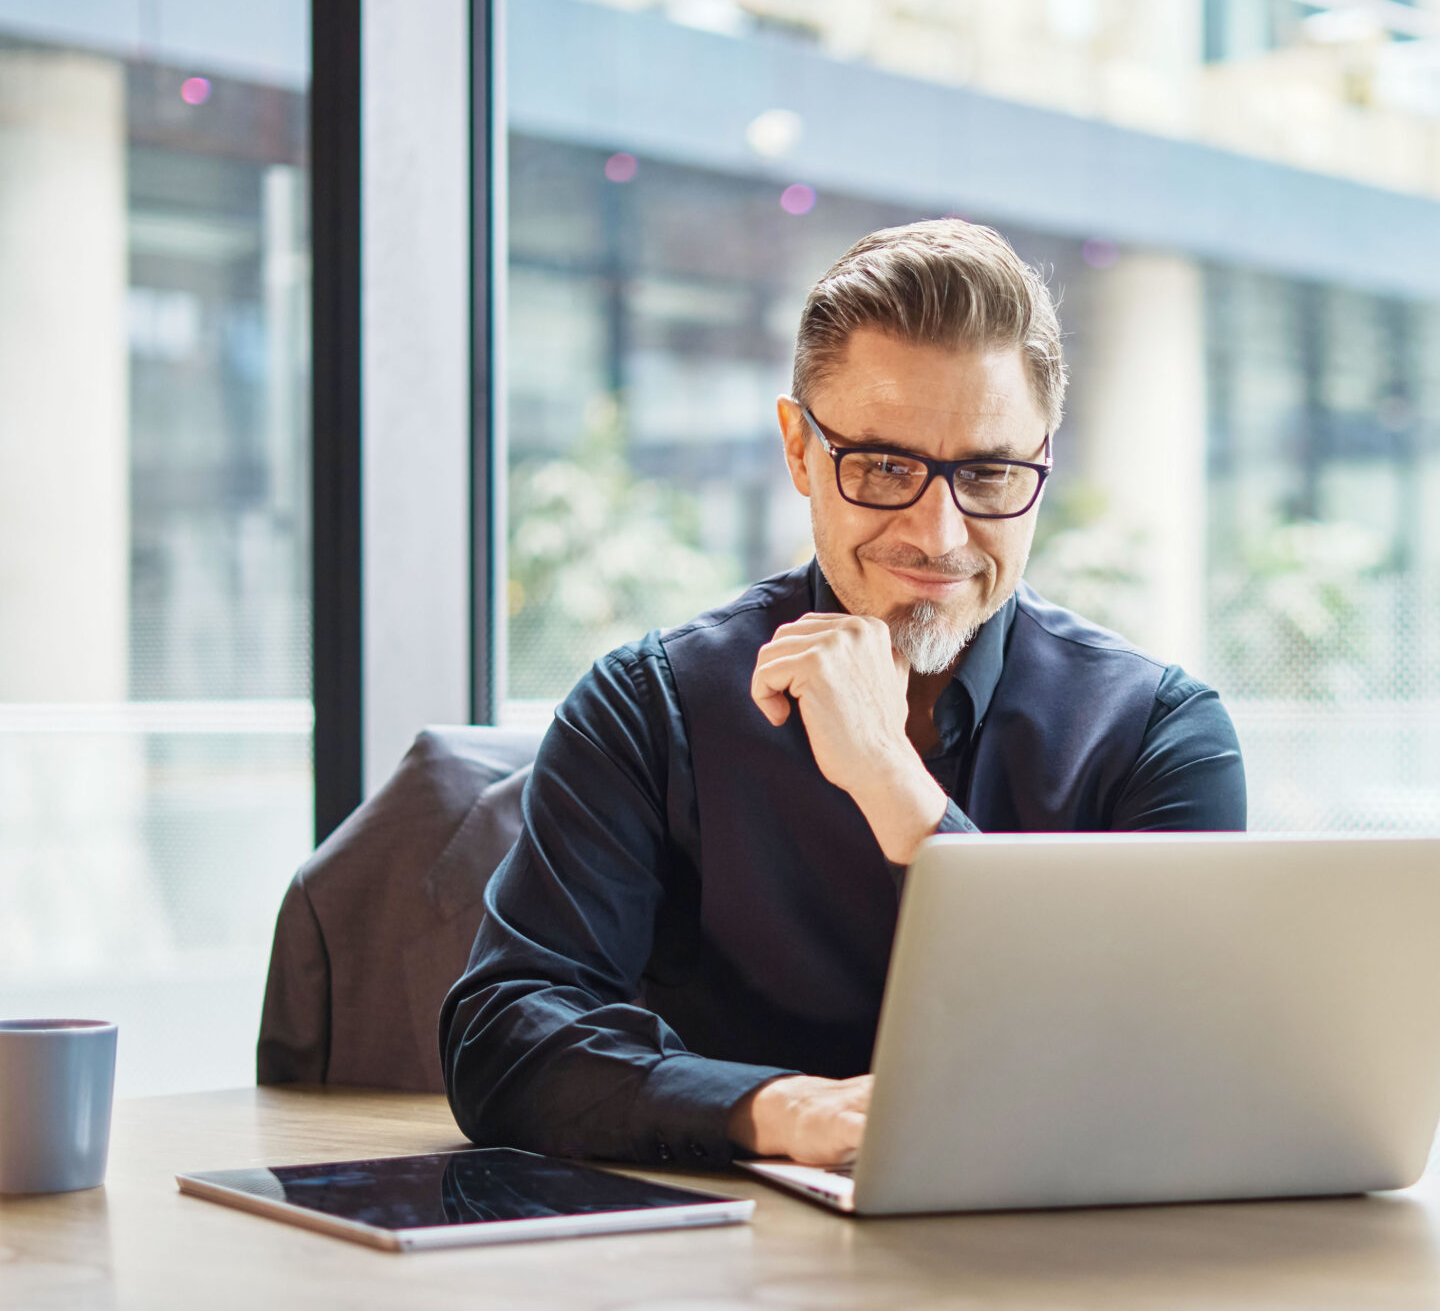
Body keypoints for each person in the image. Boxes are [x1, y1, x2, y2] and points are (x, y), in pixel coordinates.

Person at [439, 220, 1246, 1169]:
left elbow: (1163, 1070)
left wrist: (894, 787)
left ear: (1043, 464)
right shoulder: (649, 707)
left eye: (988, 473)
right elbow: (503, 1038)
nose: (939, 533)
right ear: (799, 451)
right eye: (884, 467)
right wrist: (779, 1113)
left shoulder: (1162, 736)